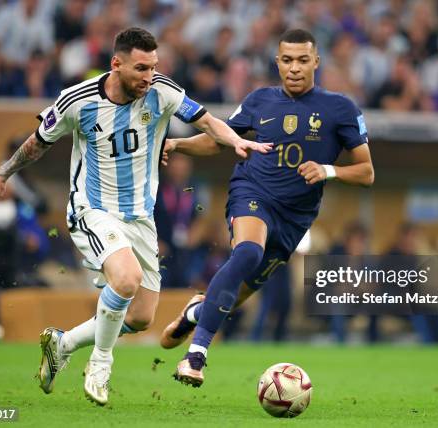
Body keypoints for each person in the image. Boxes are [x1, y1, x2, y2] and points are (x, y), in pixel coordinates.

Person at [0, 27, 270, 405]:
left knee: (140, 317)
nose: (148, 76)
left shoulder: (162, 91)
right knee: (127, 278)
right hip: (93, 210)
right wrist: (2, 175)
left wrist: (235, 139)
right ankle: (100, 365)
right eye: (140, 68)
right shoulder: (77, 101)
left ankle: (62, 344)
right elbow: (37, 142)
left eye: (153, 67)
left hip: (140, 219)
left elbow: (205, 120)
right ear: (116, 64)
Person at [160, 29, 374, 387]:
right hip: (252, 191)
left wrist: (328, 170)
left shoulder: (341, 109)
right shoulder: (260, 100)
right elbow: (220, 141)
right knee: (246, 253)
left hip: (294, 219)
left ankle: (198, 310)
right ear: (277, 62)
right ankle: (195, 357)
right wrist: (178, 144)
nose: (294, 68)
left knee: (234, 296)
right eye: (287, 60)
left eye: (302, 60)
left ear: (316, 62)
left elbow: (366, 171)